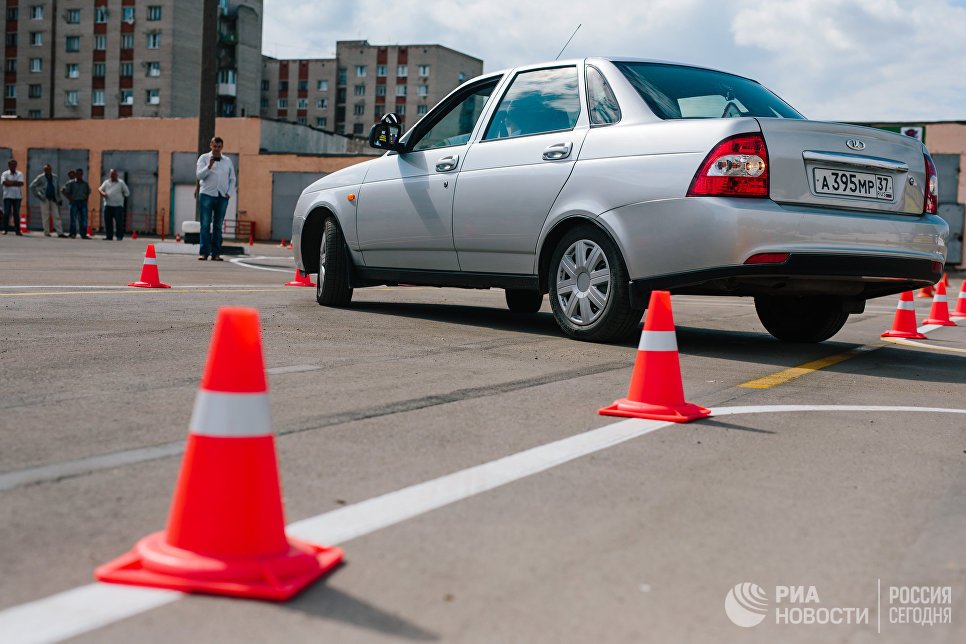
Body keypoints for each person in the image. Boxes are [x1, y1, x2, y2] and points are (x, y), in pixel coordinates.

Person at [195, 136, 236, 261]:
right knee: (205, 225)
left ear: (222, 147)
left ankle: (216, 253)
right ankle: (204, 253)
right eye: (215, 146)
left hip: (222, 196)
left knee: (218, 226)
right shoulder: (203, 158)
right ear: (210, 145)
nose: (217, 149)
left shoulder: (227, 161)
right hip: (207, 195)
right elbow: (199, 175)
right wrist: (209, 166)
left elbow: (232, 179)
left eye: (219, 146)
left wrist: (229, 193)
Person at [29, 164, 67, 237]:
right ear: (44, 170)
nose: (48, 171)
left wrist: (59, 199)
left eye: (49, 169)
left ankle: (60, 232)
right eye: (46, 169)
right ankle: (46, 232)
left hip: (54, 198)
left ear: (51, 169)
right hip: (44, 198)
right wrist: (38, 194)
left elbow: (57, 188)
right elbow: (32, 186)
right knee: (45, 216)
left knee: (56, 215)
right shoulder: (40, 177)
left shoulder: (55, 177)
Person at [98, 169, 130, 241]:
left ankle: (119, 236)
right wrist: (103, 193)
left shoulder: (121, 183)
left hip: (118, 206)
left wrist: (121, 195)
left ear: (117, 175)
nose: (113, 176)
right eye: (111, 174)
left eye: (114, 174)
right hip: (108, 205)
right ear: (110, 175)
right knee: (108, 221)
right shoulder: (106, 182)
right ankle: (109, 236)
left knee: (118, 221)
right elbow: (100, 189)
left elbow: (127, 193)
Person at [62, 168, 91, 239]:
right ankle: (72, 233)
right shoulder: (71, 183)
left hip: (83, 202)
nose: (79, 175)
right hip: (74, 202)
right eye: (77, 174)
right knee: (73, 219)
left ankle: (83, 234)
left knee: (84, 219)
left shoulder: (85, 184)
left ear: (82, 174)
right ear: (76, 174)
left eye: (80, 174)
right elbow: (63, 190)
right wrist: (70, 199)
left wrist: (86, 200)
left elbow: (88, 192)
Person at [1, 159, 25, 236]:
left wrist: (10, 182)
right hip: (7, 196)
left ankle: (17, 230)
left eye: (14, 165)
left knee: (16, 214)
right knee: (6, 213)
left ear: (16, 165)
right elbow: (4, 183)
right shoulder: (5, 173)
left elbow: (21, 183)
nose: (13, 166)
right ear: (9, 165)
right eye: (11, 165)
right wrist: (15, 182)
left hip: (17, 196)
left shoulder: (20, 174)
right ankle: (5, 229)